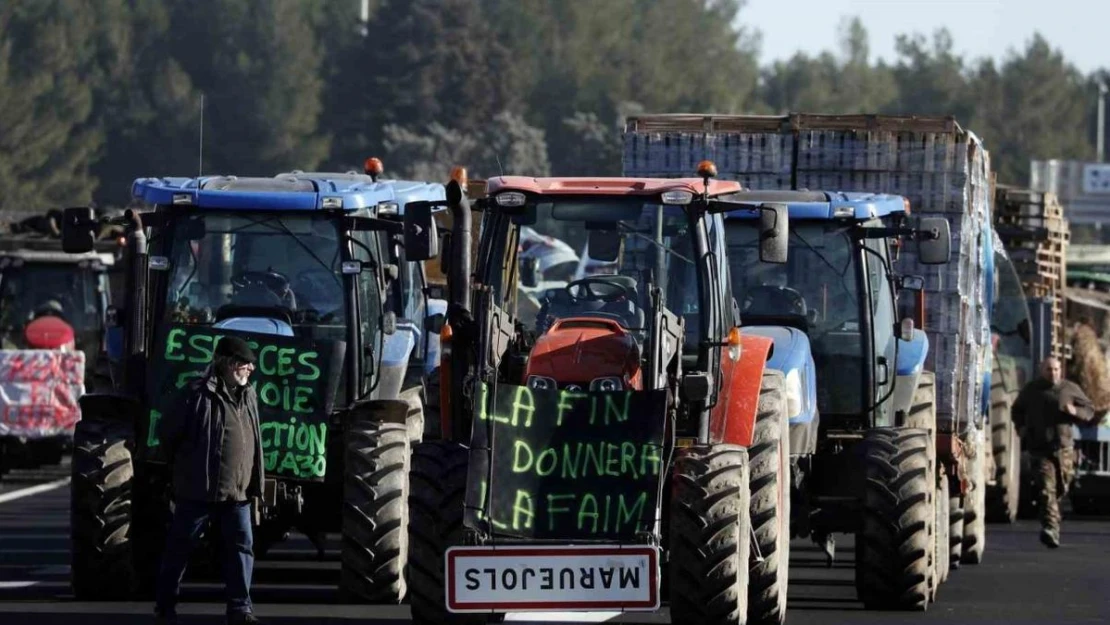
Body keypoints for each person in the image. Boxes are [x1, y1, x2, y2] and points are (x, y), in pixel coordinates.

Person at [155, 336, 264, 624]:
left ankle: (241, 609)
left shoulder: (249, 395)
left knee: (242, 548)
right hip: (197, 493)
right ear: (229, 364)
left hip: (236, 494)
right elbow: (168, 434)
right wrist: (185, 470)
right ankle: (165, 606)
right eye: (245, 363)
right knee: (180, 548)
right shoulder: (195, 394)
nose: (251, 368)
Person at [1010, 356, 1098, 548]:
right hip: (1040, 448)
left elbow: (1089, 408)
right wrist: (1022, 428)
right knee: (1046, 490)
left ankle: (1053, 517)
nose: (1053, 373)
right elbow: (1016, 410)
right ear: (1042, 370)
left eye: (1056, 369)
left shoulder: (1069, 389)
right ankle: (1050, 529)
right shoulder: (1032, 390)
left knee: (1061, 488)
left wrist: (1075, 411)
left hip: (1064, 448)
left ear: (1061, 371)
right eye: (1049, 369)